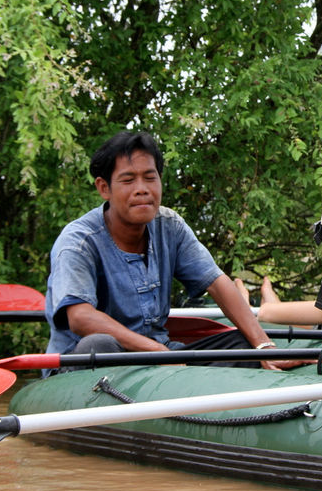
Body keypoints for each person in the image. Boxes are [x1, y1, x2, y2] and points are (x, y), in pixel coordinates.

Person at [45, 131, 301, 373]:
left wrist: (262, 346)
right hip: (92, 361)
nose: (142, 188)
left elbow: (217, 282)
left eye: (149, 177)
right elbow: (80, 317)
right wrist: (156, 351)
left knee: (243, 346)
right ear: (104, 188)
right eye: (128, 180)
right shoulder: (78, 241)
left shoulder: (170, 225)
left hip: (164, 355)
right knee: (99, 345)